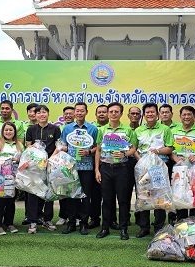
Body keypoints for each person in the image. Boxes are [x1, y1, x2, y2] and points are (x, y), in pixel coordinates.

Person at [95, 102, 137, 240]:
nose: (113, 114)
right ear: (108, 114)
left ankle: (123, 229)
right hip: (106, 168)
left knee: (123, 200)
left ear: (121, 114)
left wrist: (125, 154)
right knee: (106, 200)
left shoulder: (128, 130)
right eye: (111, 111)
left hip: (122, 169)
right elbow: (98, 150)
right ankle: (104, 228)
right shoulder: (102, 130)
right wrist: (97, 169)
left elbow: (133, 148)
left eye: (116, 111)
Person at [134, 102, 174, 238]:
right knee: (144, 197)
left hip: (159, 168)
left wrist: (158, 151)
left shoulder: (165, 129)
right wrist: (140, 161)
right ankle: (144, 227)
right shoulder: (138, 130)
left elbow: (170, 148)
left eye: (152, 112)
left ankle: (158, 227)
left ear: (157, 114)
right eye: (147, 113)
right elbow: (134, 148)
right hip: (143, 169)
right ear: (144, 115)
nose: (150, 114)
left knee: (159, 198)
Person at [60, 102, 98, 235]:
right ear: (74, 112)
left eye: (82, 111)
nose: (79, 113)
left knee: (85, 196)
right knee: (71, 195)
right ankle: (71, 223)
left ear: (86, 112)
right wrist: (63, 149)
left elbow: (97, 147)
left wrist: (88, 152)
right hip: (71, 167)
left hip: (87, 167)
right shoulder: (67, 129)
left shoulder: (93, 129)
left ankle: (83, 223)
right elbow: (62, 145)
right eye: (77, 111)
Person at [25, 104, 61, 234]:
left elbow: (59, 146)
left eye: (44, 112)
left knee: (49, 193)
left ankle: (47, 220)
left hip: (50, 165)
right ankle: (33, 221)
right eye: (39, 112)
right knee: (33, 193)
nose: (42, 114)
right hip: (35, 167)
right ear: (36, 115)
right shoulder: (31, 129)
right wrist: (37, 158)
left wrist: (49, 159)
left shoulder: (55, 129)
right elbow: (28, 147)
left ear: (48, 114)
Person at [169, 105, 195, 220]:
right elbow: (169, 149)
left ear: (193, 116)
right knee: (180, 198)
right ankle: (181, 225)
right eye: (184, 115)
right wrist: (175, 158)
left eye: (189, 115)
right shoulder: (173, 131)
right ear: (180, 117)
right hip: (179, 170)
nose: (186, 117)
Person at [0, 121, 22, 235]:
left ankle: (9, 223)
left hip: (13, 177)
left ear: (14, 132)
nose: (8, 132)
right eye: (6, 130)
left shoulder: (19, 145)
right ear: (3, 131)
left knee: (10, 200)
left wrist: (18, 160)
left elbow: (23, 160)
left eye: (11, 130)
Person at [56, 106, 76, 226]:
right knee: (63, 190)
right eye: (66, 114)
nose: (68, 116)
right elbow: (59, 145)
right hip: (63, 164)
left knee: (75, 191)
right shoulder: (60, 129)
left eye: (70, 113)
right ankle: (63, 216)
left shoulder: (79, 128)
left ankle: (76, 217)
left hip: (77, 163)